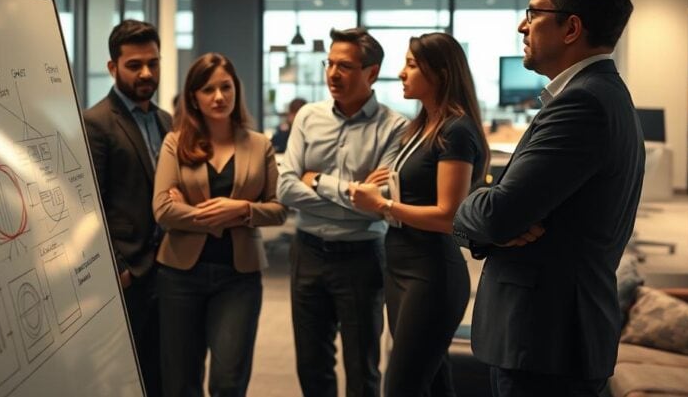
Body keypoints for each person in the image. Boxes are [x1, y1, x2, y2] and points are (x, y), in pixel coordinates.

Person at [451, 0, 645, 397]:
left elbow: (499, 214)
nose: (523, 26)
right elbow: (502, 219)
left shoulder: (583, 105)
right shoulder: (600, 94)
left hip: (545, 341)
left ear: (571, 28)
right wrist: (492, 218)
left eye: (533, 13)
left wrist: (472, 203)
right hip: (551, 338)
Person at [349, 32, 488, 397]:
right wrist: (377, 191)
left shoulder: (456, 131)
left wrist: (381, 206)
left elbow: (448, 216)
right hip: (400, 266)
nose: (401, 73)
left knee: (401, 386)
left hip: (432, 274)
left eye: (411, 65)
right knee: (433, 382)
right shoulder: (422, 126)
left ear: (440, 73)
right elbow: (409, 188)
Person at [278, 27, 408, 397]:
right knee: (311, 365)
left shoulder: (395, 127)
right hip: (307, 252)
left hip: (361, 259)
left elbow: (379, 204)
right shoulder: (307, 116)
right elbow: (285, 188)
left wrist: (318, 181)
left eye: (345, 66)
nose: (333, 74)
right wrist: (356, 197)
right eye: (330, 63)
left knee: (362, 367)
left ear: (371, 72)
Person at [152, 53, 287, 397]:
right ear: (193, 96)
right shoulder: (175, 142)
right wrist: (214, 217)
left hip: (239, 278)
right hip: (180, 275)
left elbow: (279, 210)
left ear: (236, 90)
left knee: (229, 381)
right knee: (181, 382)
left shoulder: (260, 145)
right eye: (208, 89)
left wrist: (241, 209)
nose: (218, 97)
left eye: (225, 87)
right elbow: (162, 209)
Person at [82, 19, 171, 397]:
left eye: (153, 62)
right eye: (135, 65)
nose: (146, 72)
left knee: (162, 371)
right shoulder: (97, 122)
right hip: (128, 274)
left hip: (167, 270)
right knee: (124, 377)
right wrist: (119, 267)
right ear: (113, 67)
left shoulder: (165, 120)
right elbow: (90, 204)